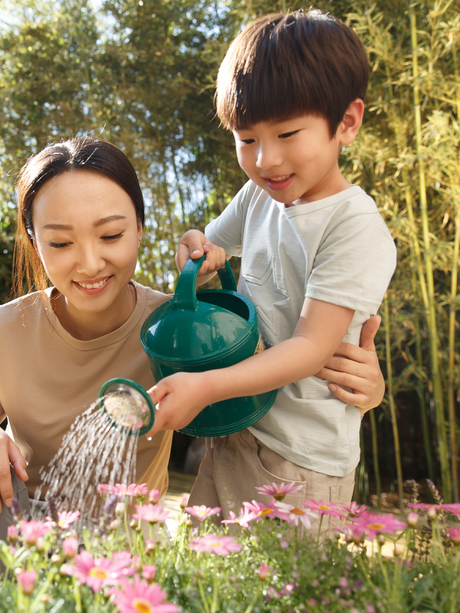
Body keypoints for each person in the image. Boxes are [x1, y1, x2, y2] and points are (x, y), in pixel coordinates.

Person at [0, 136, 386, 542]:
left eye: (111, 235)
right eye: (61, 243)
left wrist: (362, 390)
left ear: (140, 229)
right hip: (17, 531)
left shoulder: (175, 330)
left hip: (117, 552)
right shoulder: (3, 329)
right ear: (33, 241)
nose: (89, 263)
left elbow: (269, 380)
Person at [146, 11, 397, 520]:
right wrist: (196, 251)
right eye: (246, 139)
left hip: (300, 461)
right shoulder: (257, 197)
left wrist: (205, 386)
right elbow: (206, 248)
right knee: (208, 566)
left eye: (286, 134)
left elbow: (309, 348)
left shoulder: (352, 225)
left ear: (347, 123)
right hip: (237, 427)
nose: (265, 160)